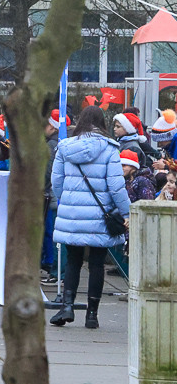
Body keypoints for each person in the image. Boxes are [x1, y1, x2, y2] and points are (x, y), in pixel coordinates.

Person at [50, 106, 130, 329]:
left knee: (73, 260)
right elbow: (116, 186)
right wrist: (126, 212)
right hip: (99, 216)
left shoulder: (65, 147)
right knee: (96, 263)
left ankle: (67, 306)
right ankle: (92, 314)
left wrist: (67, 201)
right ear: (102, 123)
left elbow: (57, 182)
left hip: (72, 213)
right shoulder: (109, 148)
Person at [42, 110, 69, 283]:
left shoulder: (51, 146)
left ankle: (56, 271)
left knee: (53, 233)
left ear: (52, 126)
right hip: (60, 195)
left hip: (51, 195)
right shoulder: (63, 142)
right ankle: (57, 269)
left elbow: (47, 172)